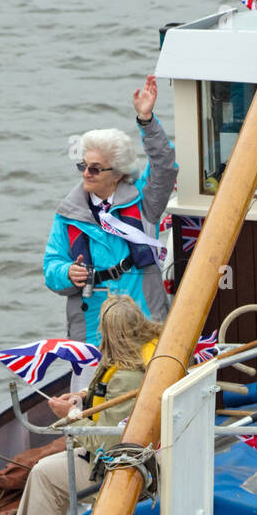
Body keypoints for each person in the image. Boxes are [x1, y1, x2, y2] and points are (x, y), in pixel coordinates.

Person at [0, 296, 162, 515]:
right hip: (128, 457)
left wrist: (69, 419)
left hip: (119, 467)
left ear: (109, 333)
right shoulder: (139, 359)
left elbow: (108, 442)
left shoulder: (128, 376)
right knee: (45, 472)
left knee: (44, 474)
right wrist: (81, 401)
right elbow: (108, 407)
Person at [43, 75, 177, 345]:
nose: (86, 173)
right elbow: (51, 268)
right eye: (83, 166)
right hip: (93, 331)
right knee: (94, 387)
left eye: (95, 168)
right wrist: (67, 272)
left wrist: (147, 121)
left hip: (144, 323)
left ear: (118, 174)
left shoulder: (144, 202)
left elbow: (164, 165)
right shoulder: (68, 213)